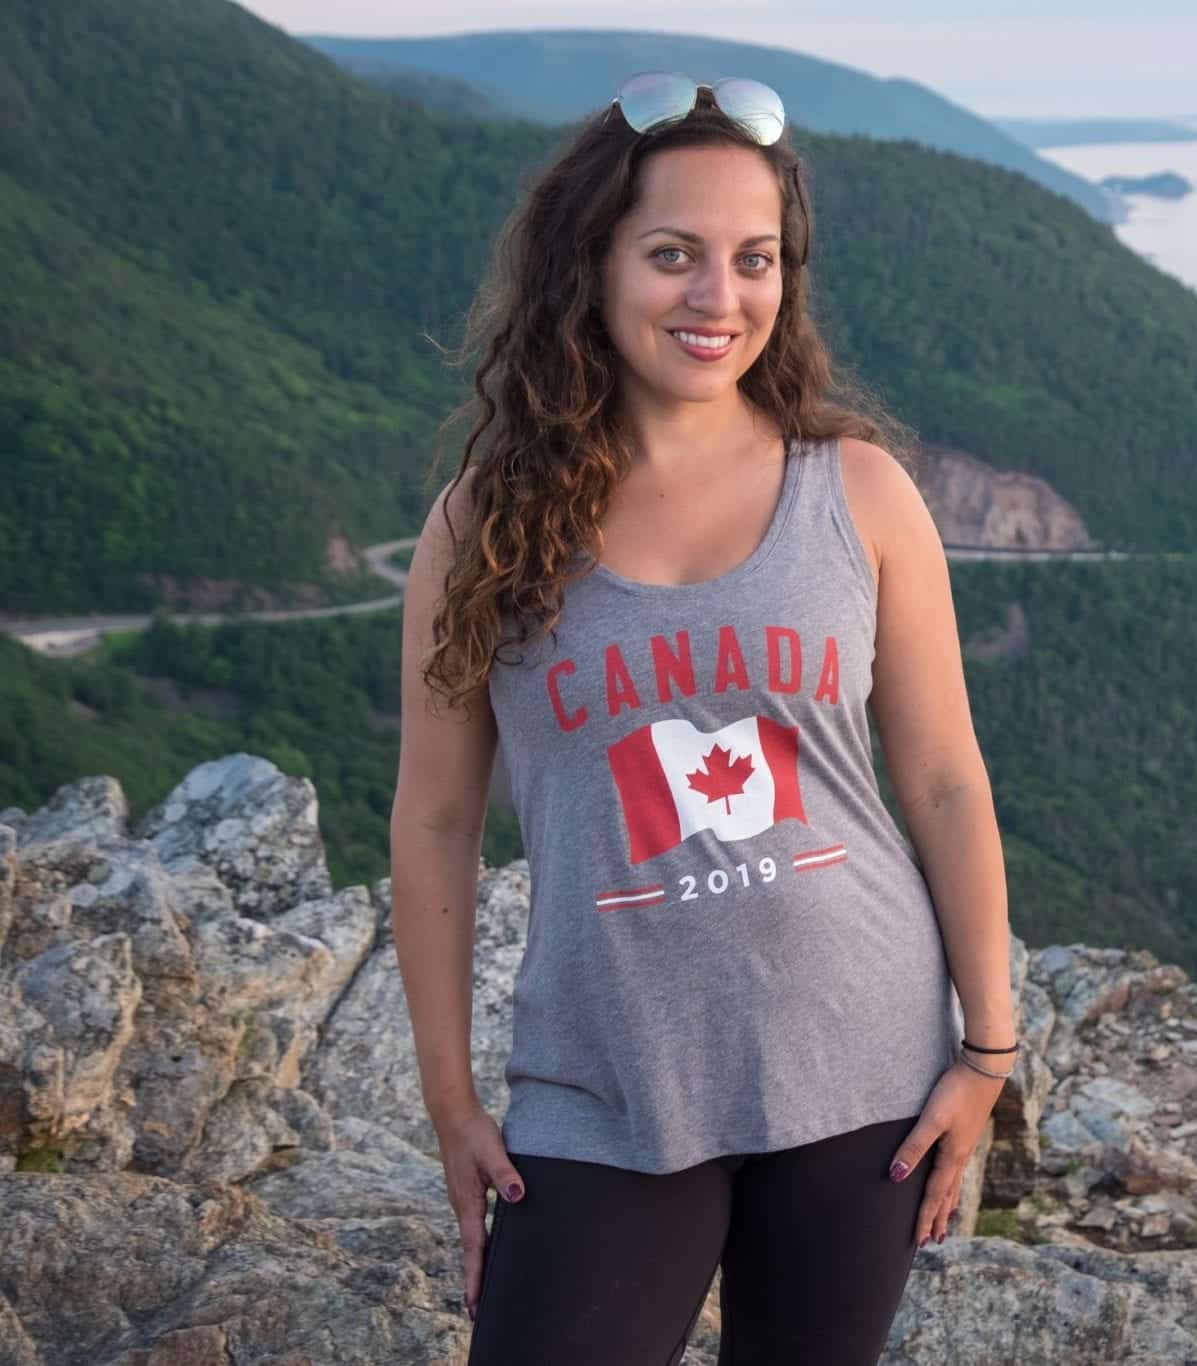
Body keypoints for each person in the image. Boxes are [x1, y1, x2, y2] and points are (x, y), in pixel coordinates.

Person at [387, 72, 1017, 1364]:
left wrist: (987, 1049)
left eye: (754, 259)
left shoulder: (858, 493)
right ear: (595, 264)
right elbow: (436, 817)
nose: (717, 298)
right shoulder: (483, 525)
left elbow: (945, 779)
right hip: (604, 1084)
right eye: (673, 255)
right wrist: (449, 1097)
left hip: (861, 1076)